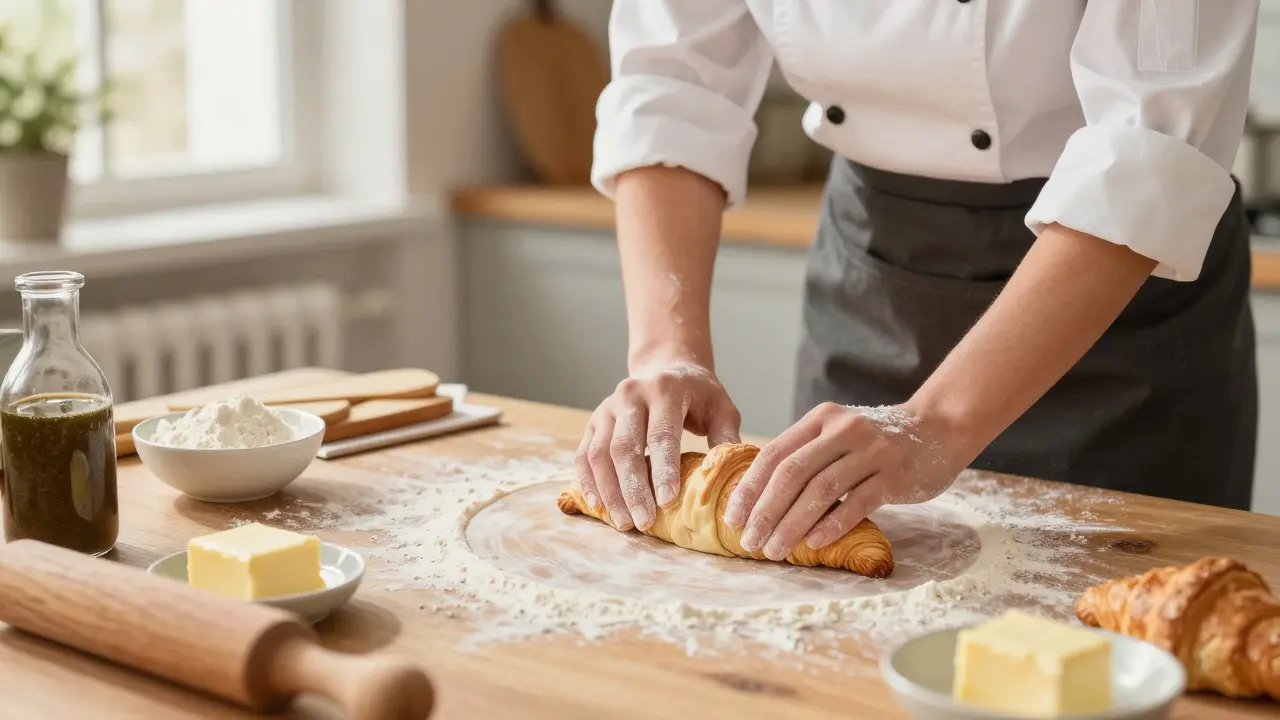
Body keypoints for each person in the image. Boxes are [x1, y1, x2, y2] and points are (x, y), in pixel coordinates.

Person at [576, 2, 1260, 563]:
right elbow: (671, 83)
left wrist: (938, 423)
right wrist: (669, 350)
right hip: (873, 271)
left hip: (1112, 297)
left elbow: (1149, 146)